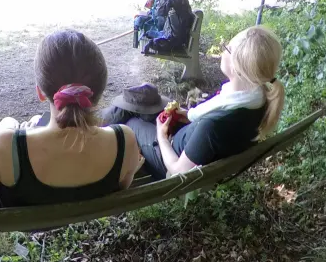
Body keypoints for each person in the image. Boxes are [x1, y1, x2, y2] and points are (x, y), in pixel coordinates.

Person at [0, 30, 143, 207]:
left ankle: (23, 126)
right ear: (98, 93)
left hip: (26, 225)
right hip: (85, 221)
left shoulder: (2, 146)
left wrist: (8, 133)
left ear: (40, 92)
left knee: (8, 122)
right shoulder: (125, 140)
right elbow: (123, 185)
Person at [120, 26, 285, 180]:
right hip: (191, 141)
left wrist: (161, 136)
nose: (223, 50)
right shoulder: (263, 99)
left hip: (170, 157)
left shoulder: (213, 126)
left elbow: (178, 172)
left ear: (236, 67)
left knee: (131, 121)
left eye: (227, 48)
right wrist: (187, 115)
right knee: (138, 106)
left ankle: (108, 162)